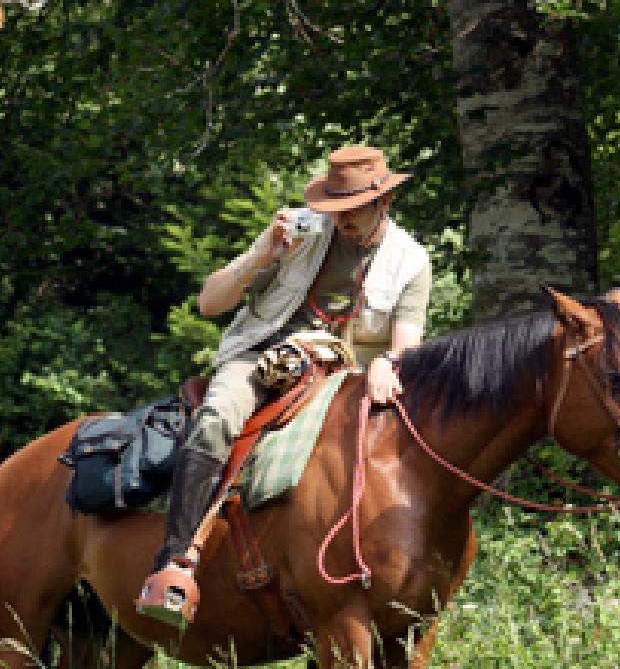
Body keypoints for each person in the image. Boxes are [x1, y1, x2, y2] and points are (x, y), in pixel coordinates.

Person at [136, 144, 432, 624]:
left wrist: (390, 364)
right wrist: (262, 253)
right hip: (259, 358)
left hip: (344, 376)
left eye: (352, 208)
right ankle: (172, 564)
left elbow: (408, 343)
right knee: (214, 421)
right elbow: (210, 304)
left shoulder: (410, 261)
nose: (342, 220)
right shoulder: (296, 230)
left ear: (384, 202)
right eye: (335, 208)